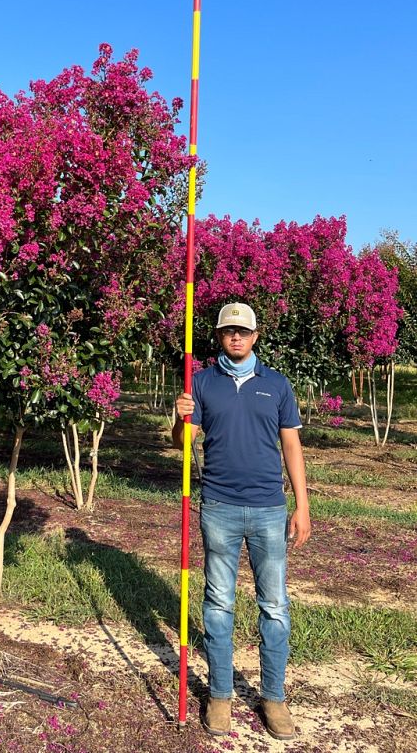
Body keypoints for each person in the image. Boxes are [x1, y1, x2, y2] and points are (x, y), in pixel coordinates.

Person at [173, 302, 311, 741]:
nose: (236, 337)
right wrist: (180, 420)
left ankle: (273, 697)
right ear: (219, 336)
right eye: (229, 331)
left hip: (270, 509)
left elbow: (291, 447)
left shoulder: (277, 384)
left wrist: (302, 506)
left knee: (274, 605)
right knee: (218, 604)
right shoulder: (201, 383)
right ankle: (219, 695)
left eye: (244, 331)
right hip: (219, 507)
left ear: (255, 336)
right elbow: (182, 443)